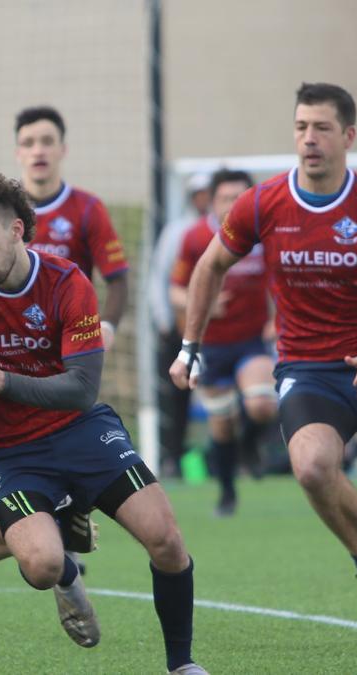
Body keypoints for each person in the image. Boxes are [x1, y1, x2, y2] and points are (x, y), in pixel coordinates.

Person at [171, 82, 357, 647]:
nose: (308, 139)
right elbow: (209, 266)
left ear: (348, 136)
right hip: (308, 368)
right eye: (300, 127)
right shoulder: (264, 202)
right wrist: (190, 344)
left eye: (321, 128)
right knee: (311, 466)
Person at [0, 174, 205, 674]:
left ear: (17, 230)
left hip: (79, 429)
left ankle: (181, 665)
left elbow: (81, 388)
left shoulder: (67, 282)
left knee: (165, 538)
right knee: (41, 566)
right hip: (6, 451)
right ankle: (68, 566)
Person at [169, 169, 275, 516]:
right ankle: (228, 492)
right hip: (210, 345)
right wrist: (204, 304)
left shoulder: (264, 233)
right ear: (212, 202)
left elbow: (283, 279)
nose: (233, 205)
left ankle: (251, 446)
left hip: (251, 342)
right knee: (222, 424)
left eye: (240, 197)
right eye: (226, 198)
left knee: (261, 404)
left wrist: (279, 318)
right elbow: (176, 290)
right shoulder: (196, 238)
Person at [14, 106, 128, 349]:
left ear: (62, 150)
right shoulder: (1, 209)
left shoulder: (88, 208)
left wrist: (107, 327)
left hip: (71, 339)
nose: (38, 151)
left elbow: (117, 279)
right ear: (18, 153)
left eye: (47, 141)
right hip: (12, 340)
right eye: (28, 143)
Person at [147, 172, 210, 478]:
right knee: (177, 395)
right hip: (181, 325)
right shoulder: (177, 232)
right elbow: (161, 276)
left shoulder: (221, 228)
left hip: (219, 327)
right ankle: (173, 455)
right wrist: (163, 318)